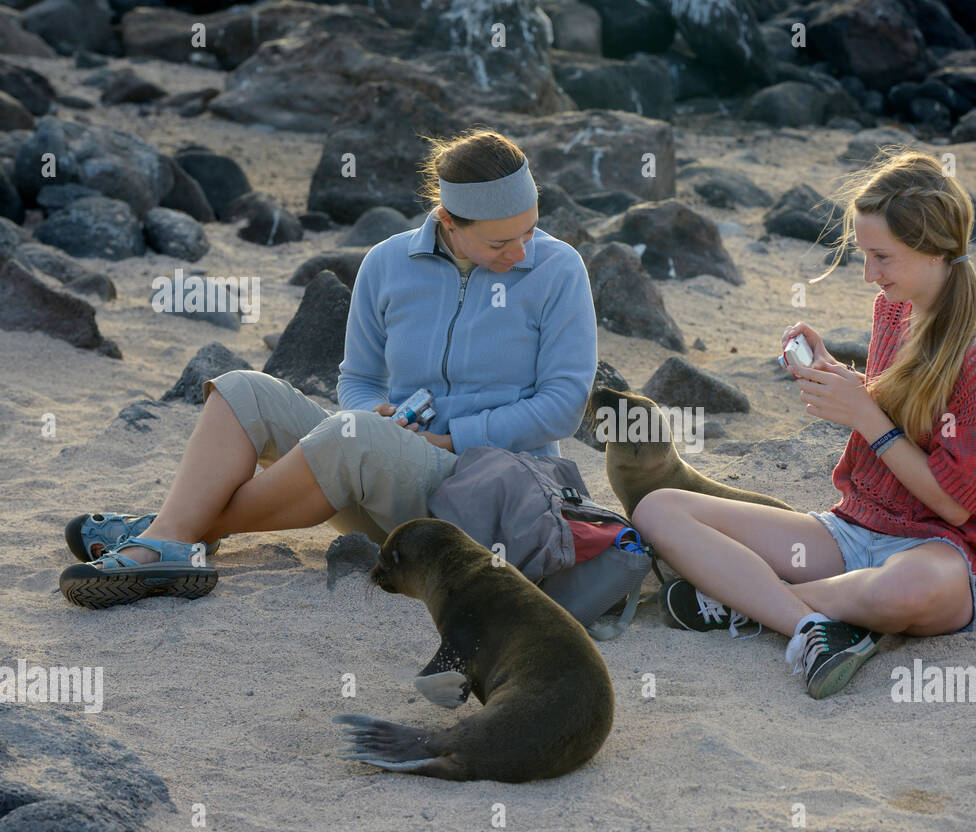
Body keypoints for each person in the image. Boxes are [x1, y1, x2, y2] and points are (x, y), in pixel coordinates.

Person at [60, 129, 598, 608]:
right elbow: (358, 381)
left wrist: (449, 440)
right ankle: (171, 537)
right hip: (377, 470)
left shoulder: (558, 269)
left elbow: (564, 405)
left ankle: (161, 536)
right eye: (500, 241)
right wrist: (376, 417)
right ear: (448, 221)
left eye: (530, 231)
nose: (521, 251)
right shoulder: (387, 262)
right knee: (241, 389)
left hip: (481, 495)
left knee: (354, 435)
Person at [632, 149, 976, 699]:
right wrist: (838, 379)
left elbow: (954, 504)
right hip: (858, 528)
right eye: (864, 255)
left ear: (936, 250)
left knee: (902, 591)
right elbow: (894, 408)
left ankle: (748, 600)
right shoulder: (895, 308)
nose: (870, 274)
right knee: (659, 508)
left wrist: (864, 415)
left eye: (882, 257)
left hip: (945, 553)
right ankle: (812, 624)